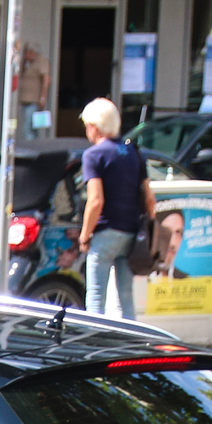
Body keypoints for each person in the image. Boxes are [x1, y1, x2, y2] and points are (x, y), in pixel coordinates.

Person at [74, 96, 152, 319]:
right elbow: (150, 199)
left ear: (95, 127)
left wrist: (85, 235)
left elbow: (95, 201)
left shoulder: (93, 155)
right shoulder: (134, 153)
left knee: (96, 297)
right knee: (126, 297)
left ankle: (92, 346)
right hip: (131, 232)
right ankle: (131, 346)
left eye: (87, 125)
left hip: (105, 232)